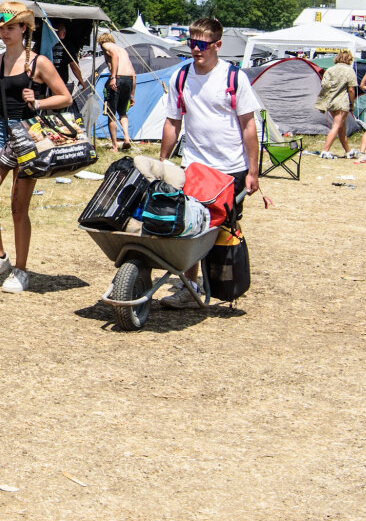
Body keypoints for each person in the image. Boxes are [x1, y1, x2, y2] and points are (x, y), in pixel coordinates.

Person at [159, 17, 261, 308]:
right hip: (194, 165)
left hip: (230, 168)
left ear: (218, 45)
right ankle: (189, 286)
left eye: (202, 44)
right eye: (192, 43)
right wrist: (164, 161)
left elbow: (248, 127)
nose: (196, 49)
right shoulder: (180, 77)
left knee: (221, 227)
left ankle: (224, 282)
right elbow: (172, 121)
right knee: (191, 225)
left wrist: (253, 171)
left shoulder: (234, 78)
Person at [0, 1, 72, 293]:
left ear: (24, 28)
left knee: (19, 208)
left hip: (29, 133)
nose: (5, 33)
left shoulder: (37, 62)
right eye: (2, 28)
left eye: (11, 27)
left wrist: (38, 101)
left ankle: (21, 269)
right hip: (2, 131)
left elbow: (65, 96)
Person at [314, 51, 358, 159]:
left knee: (341, 128)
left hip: (330, 101)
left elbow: (323, 84)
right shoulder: (349, 70)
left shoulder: (330, 70)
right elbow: (351, 89)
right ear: (349, 59)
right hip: (342, 102)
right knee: (336, 126)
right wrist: (352, 103)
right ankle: (325, 150)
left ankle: (348, 151)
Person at [98, 33, 135, 152]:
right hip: (128, 80)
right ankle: (126, 138)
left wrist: (113, 77)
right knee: (123, 112)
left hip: (117, 79)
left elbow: (114, 56)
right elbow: (134, 74)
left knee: (111, 114)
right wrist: (132, 94)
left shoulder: (106, 45)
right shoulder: (123, 50)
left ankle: (114, 146)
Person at [52, 21, 86, 92]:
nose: (64, 32)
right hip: (59, 83)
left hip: (46, 81)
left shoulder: (45, 43)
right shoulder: (67, 45)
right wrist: (81, 80)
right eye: (61, 30)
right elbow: (73, 65)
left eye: (64, 30)